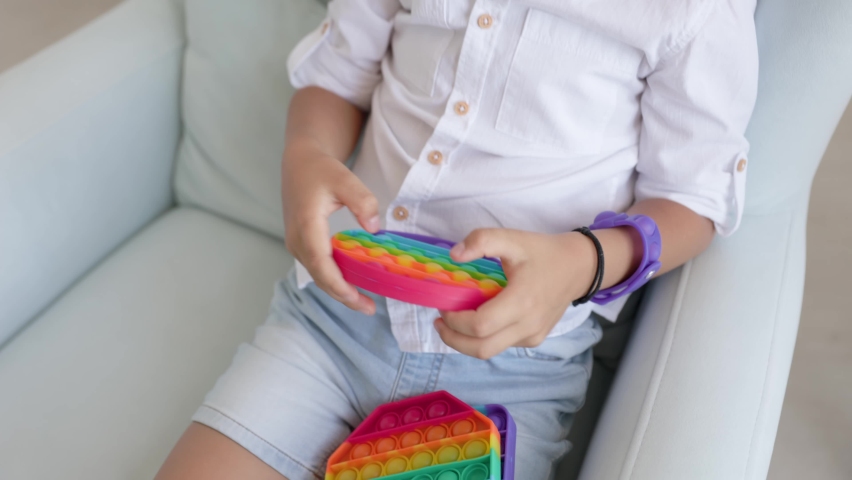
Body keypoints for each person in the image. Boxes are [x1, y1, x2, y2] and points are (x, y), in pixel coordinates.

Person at [156, 0, 758, 478]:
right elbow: (338, 78)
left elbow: (694, 199)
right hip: (328, 326)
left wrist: (582, 261)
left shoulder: (696, 11)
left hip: (513, 372)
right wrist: (305, 156)